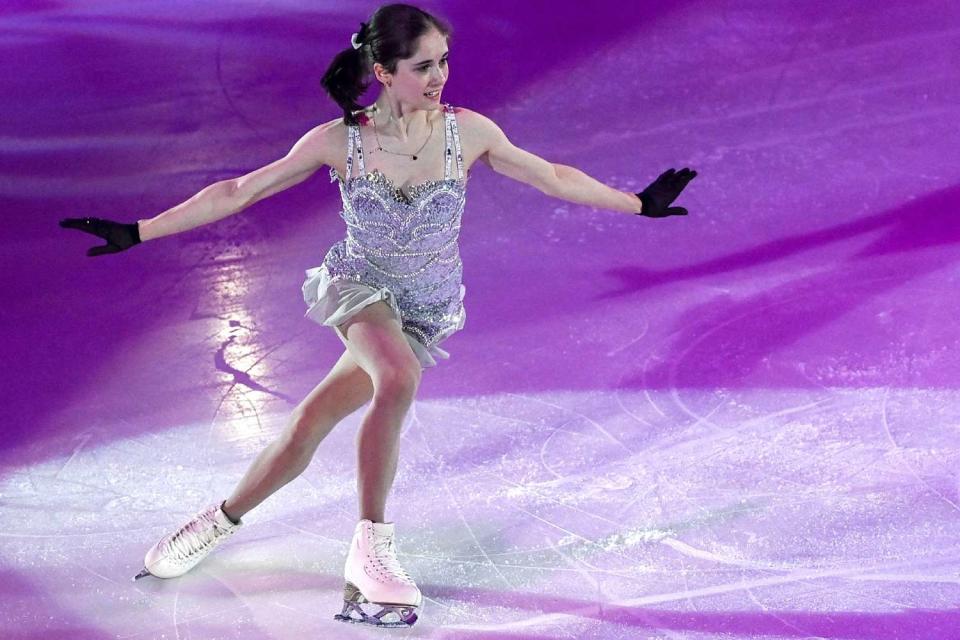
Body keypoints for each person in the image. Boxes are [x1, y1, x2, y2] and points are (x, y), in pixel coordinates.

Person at [59, 3, 696, 628]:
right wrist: (137, 231)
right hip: (358, 288)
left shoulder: (467, 132)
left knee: (307, 425)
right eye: (423, 66)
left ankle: (218, 519)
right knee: (396, 381)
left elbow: (552, 176)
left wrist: (638, 203)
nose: (439, 76)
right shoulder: (341, 142)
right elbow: (238, 191)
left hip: (423, 307)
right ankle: (371, 545)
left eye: (443, 61)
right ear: (384, 72)